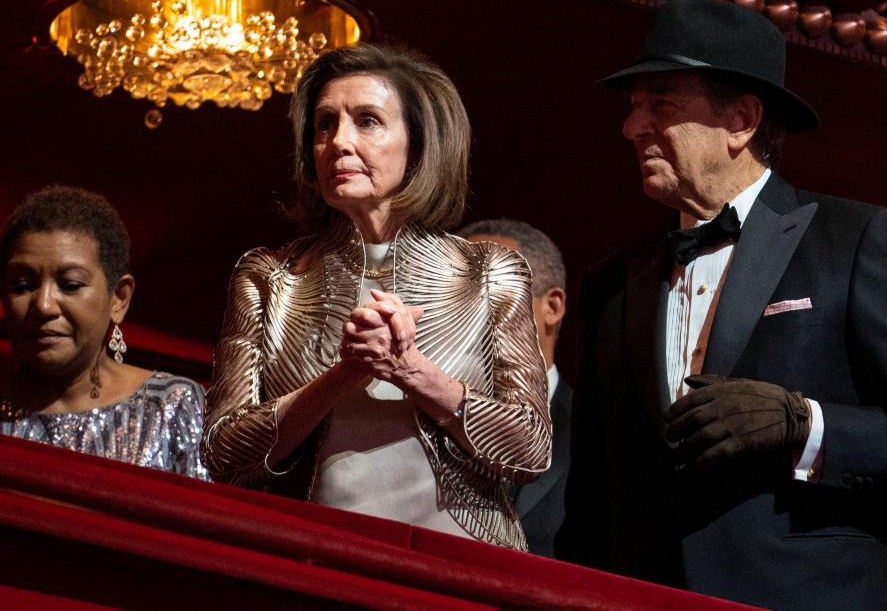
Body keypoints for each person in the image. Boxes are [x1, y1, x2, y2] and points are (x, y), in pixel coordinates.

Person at [557, 0, 887, 609]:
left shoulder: (854, 241)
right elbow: (591, 504)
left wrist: (805, 424)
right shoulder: (611, 287)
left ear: (742, 121)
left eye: (661, 104)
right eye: (633, 108)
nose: (633, 127)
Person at [203, 43, 551, 551]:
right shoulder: (269, 277)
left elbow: (531, 451)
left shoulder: (489, 274)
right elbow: (223, 453)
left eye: (367, 121)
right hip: (309, 559)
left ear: (421, 144)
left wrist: (411, 370)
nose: (338, 141)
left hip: (460, 568)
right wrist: (344, 373)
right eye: (324, 124)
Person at [0, 185, 208, 479]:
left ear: (119, 298)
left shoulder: (171, 406)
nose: (43, 305)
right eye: (22, 286)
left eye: (70, 285)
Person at [460, 217, 569, 558]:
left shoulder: (602, 431)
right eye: (455, 297)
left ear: (552, 307)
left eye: (490, 292)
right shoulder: (414, 425)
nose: (466, 315)